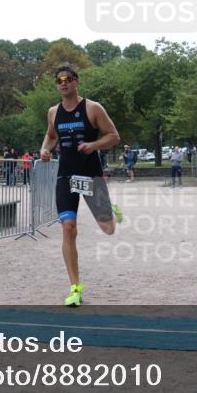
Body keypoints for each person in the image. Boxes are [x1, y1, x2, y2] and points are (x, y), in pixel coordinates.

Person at [40, 65, 122, 307]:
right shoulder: (53, 112)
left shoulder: (92, 108)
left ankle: (111, 209)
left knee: (108, 229)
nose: (63, 83)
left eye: (67, 79)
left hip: (89, 176)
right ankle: (75, 287)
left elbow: (114, 136)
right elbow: (51, 135)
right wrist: (44, 149)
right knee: (68, 227)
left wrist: (93, 145)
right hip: (66, 176)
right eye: (59, 80)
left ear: (76, 82)